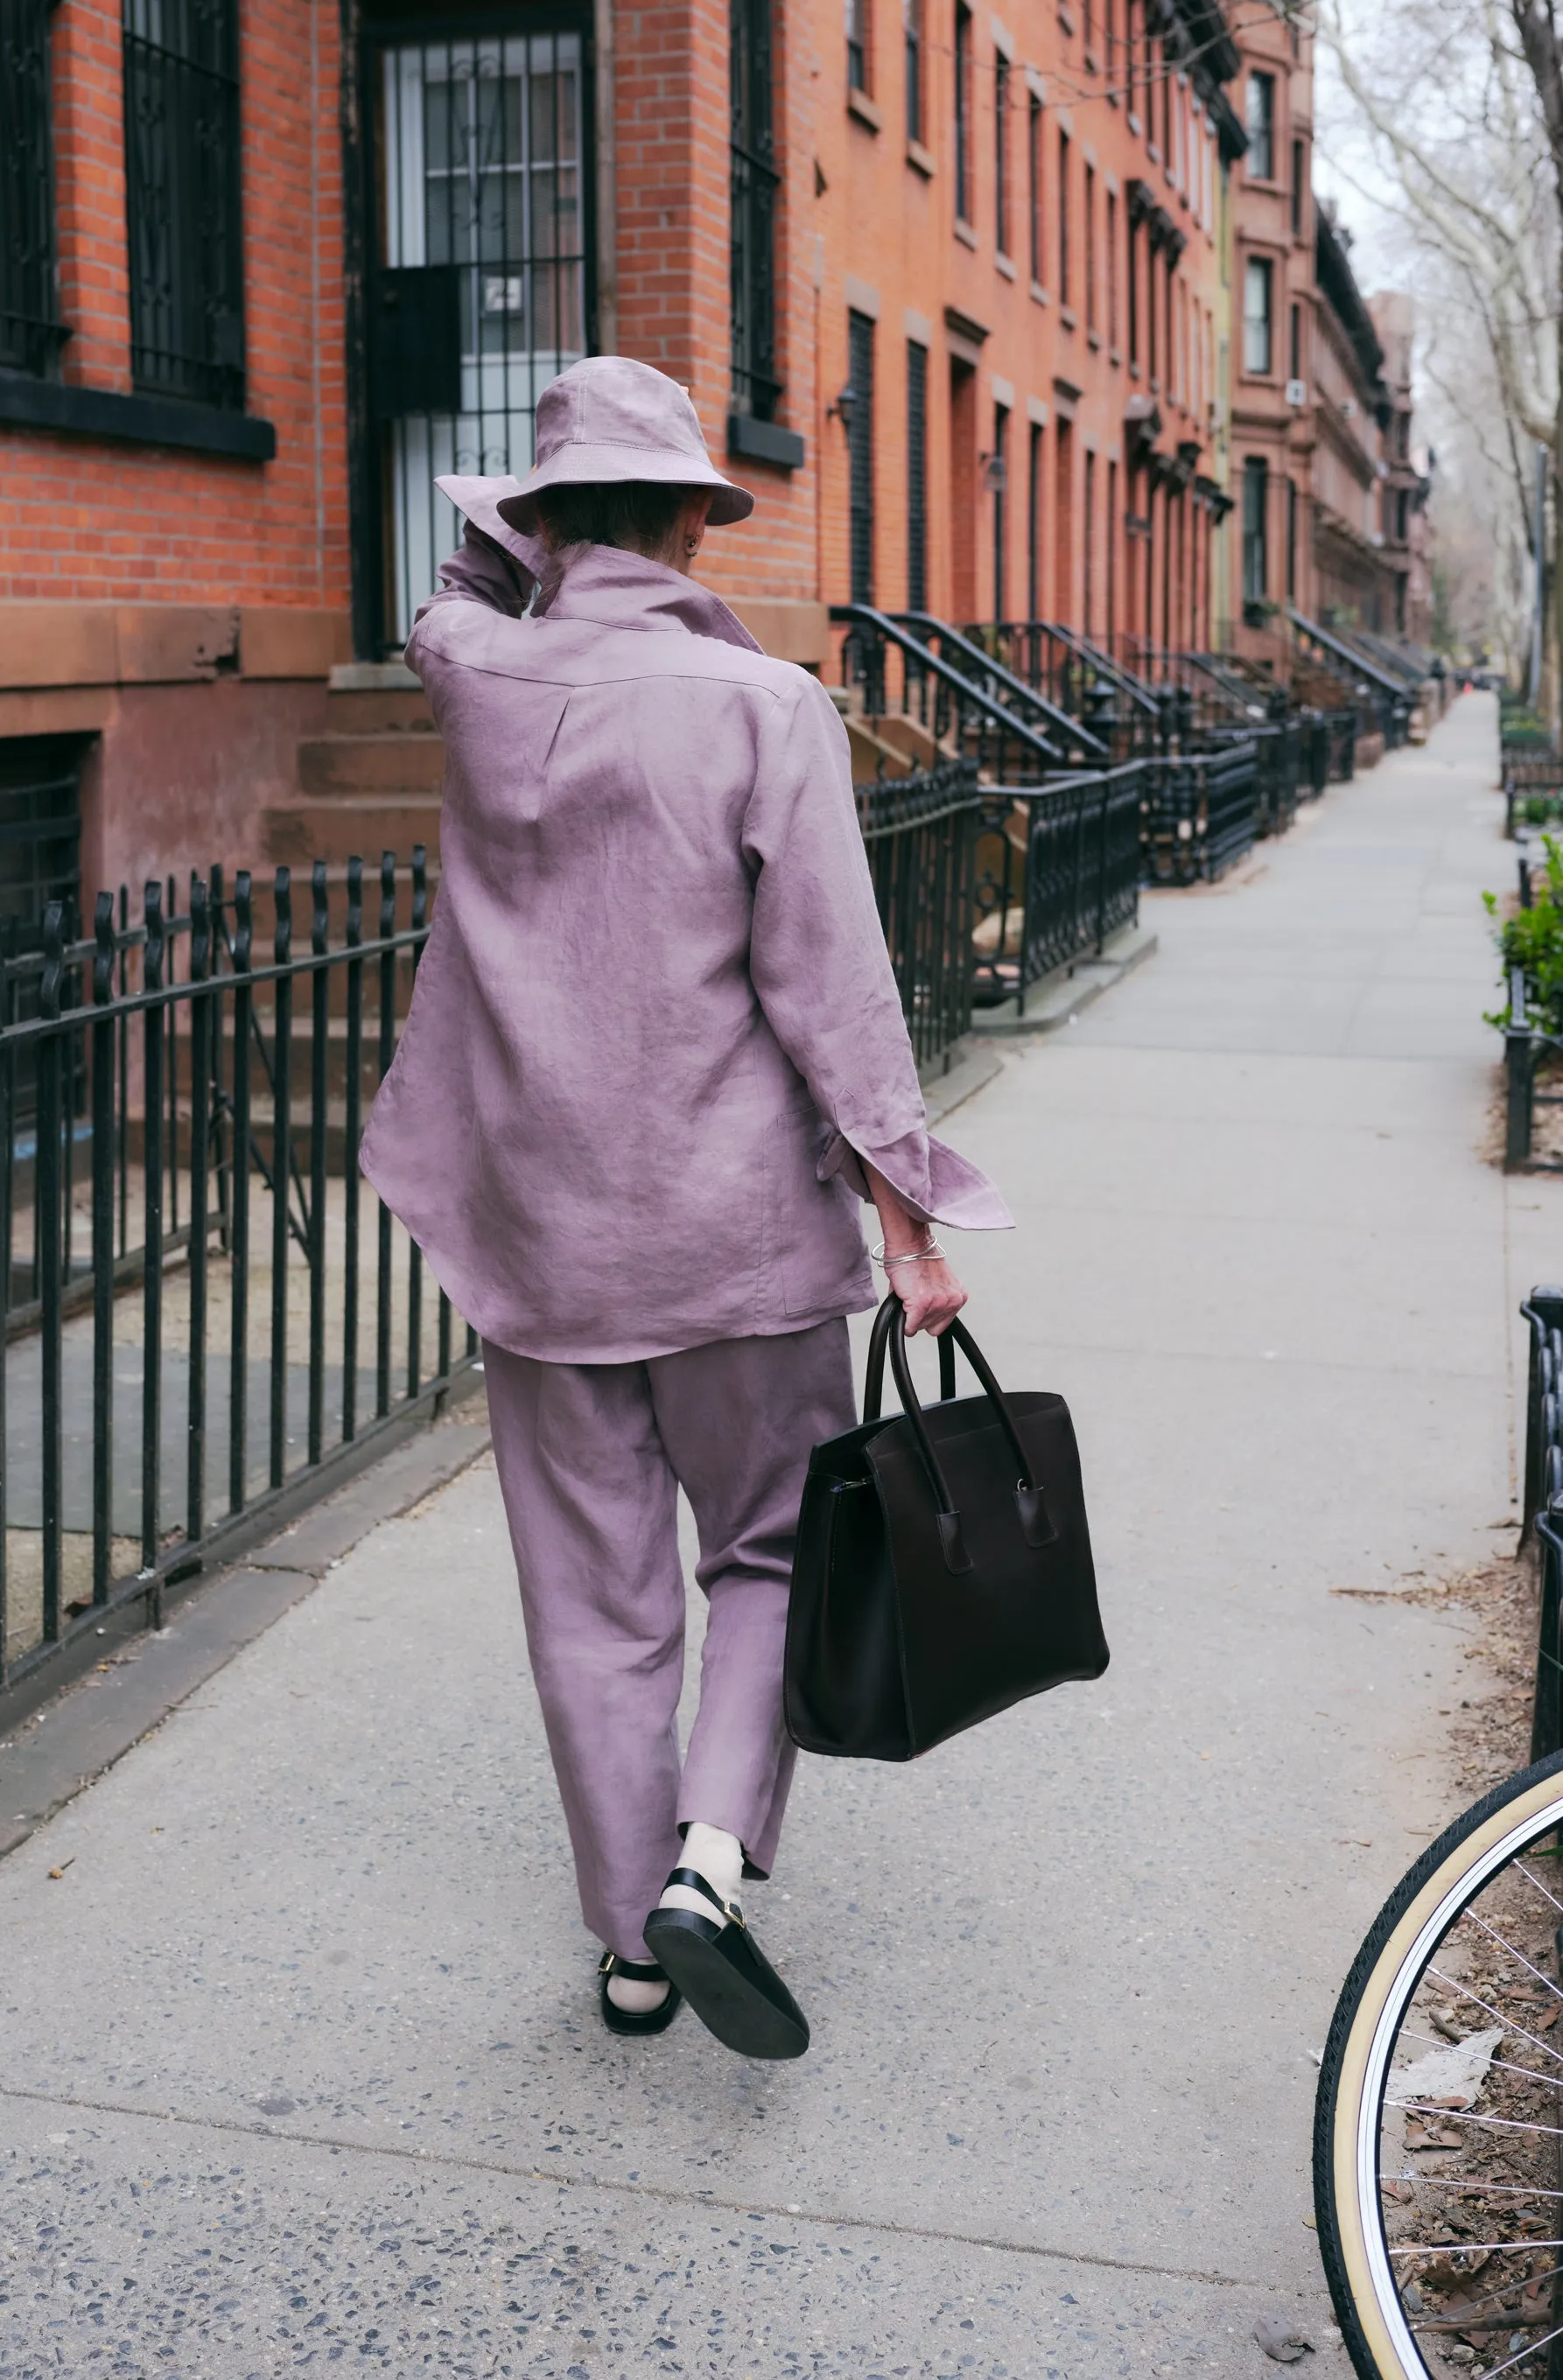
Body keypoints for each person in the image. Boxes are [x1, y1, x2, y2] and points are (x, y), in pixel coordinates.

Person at [360, 356, 1009, 2060]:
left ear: (550, 519)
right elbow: (836, 996)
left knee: (591, 1603)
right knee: (773, 1551)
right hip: (734, 1241)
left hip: (540, 1250)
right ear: (691, 527)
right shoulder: (764, 711)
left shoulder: (474, 670)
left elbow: (453, 589)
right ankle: (709, 1866)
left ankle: (630, 1949)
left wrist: (521, 537)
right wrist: (909, 1219)